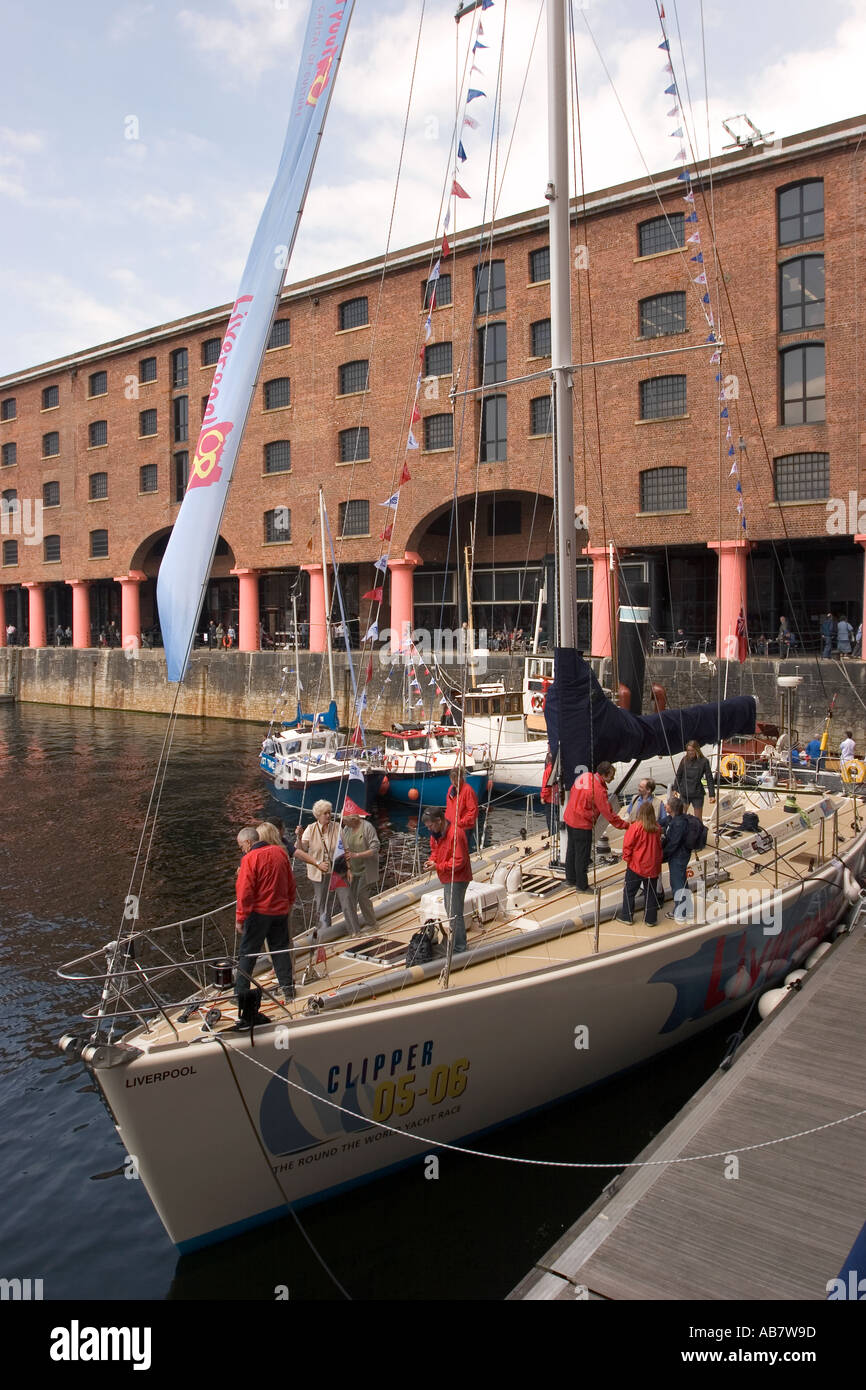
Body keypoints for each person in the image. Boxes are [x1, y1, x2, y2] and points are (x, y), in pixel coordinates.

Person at [235, 825, 296, 1012]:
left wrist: (240, 917)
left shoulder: (250, 859)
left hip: (260, 913)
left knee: (248, 952)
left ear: (248, 842)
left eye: (241, 846)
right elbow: (290, 880)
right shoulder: (280, 852)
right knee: (280, 949)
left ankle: (240, 992)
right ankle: (288, 988)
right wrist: (289, 902)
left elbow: (245, 890)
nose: (242, 850)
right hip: (280, 911)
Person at [562, 761, 628, 892]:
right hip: (582, 823)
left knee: (572, 849)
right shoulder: (598, 789)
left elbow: (574, 791)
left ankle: (570, 879)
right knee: (582, 854)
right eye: (611, 775)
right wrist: (625, 825)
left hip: (570, 817)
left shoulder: (585, 776)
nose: (613, 778)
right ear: (605, 774)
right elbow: (608, 814)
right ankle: (582, 886)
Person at [300, 800, 359, 934]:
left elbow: (346, 849)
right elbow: (302, 849)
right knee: (322, 905)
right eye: (325, 813)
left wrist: (349, 869)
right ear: (318, 815)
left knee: (347, 900)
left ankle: (354, 931)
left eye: (329, 813)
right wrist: (298, 837)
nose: (328, 815)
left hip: (338, 871)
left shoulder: (337, 827)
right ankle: (325, 935)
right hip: (319, 873)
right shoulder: (310, 829)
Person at [422, 805, 472, 955]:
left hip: (458, 877)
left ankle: (459, 948)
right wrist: (432, 861)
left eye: (430, 825)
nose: (429, 829)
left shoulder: (456, 834)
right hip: (447, 876)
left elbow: (459, 861)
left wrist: (438, 866)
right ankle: (458, 944)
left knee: (454, 913)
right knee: (451, 910)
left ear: (439, 821)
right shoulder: (435, 834)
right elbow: (435, 851)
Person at [618, 802, 664, 925]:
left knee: (629, 891)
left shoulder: (635, 827)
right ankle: (650, 919)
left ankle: (627, 916)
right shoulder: (657, 828)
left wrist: (627, 858)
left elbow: (628, 844)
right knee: (651, 893)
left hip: (636, 865)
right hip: (652, 866)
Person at [342, 808, 380, 931]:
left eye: (344, 821)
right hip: (353, 869)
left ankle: (372, 923)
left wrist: (357, 855)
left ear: (352, 820)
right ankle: (354, 925)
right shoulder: (347, 829)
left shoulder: (367, 827)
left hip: (366, 868)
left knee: (361, 895)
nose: (343, 824)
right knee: (350, 896)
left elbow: (375, 848)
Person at [662, 796, 692, 921]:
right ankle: (686, 908)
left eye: (667, 804)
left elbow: (674, 843)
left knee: (677, 883)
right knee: (681, 881)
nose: (665, 806)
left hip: (679, 856)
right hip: (679, 855)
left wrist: (663, 855)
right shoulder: (674, 818)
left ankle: (681, 912)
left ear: (671, 808)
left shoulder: (679, 823)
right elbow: (661, 822)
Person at [674, 740, 715, 816]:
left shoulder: (704, 761)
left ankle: (698, 827)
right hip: (684, 793)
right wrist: (675, 789)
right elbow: (678, 775)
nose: (690, 752)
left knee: (698, 819)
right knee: (681, 816)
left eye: (692, 750)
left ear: (697, 750)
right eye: (688, 750)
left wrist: (712, 795)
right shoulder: (684, 760)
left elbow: (709, 778)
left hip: (697, 794)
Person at [445, 767, 479, 838]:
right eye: (452, 779)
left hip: (463, 827)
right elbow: (449, 807)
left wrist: (461, 822)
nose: (454, 782)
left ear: (460, 778)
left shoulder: (468, 790)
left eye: (456, 779)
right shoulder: (451, 789)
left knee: (462, 848)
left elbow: (473, 810)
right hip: (451, 825)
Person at [540, 749, 558, 832]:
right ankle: (558, 833)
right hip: (559, 798)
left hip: (550, 799)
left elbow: (546, 785)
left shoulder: (548, 770)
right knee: (558, 818)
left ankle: (553, 834)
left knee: (550, 820)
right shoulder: (559, 769)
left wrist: (543, 796)